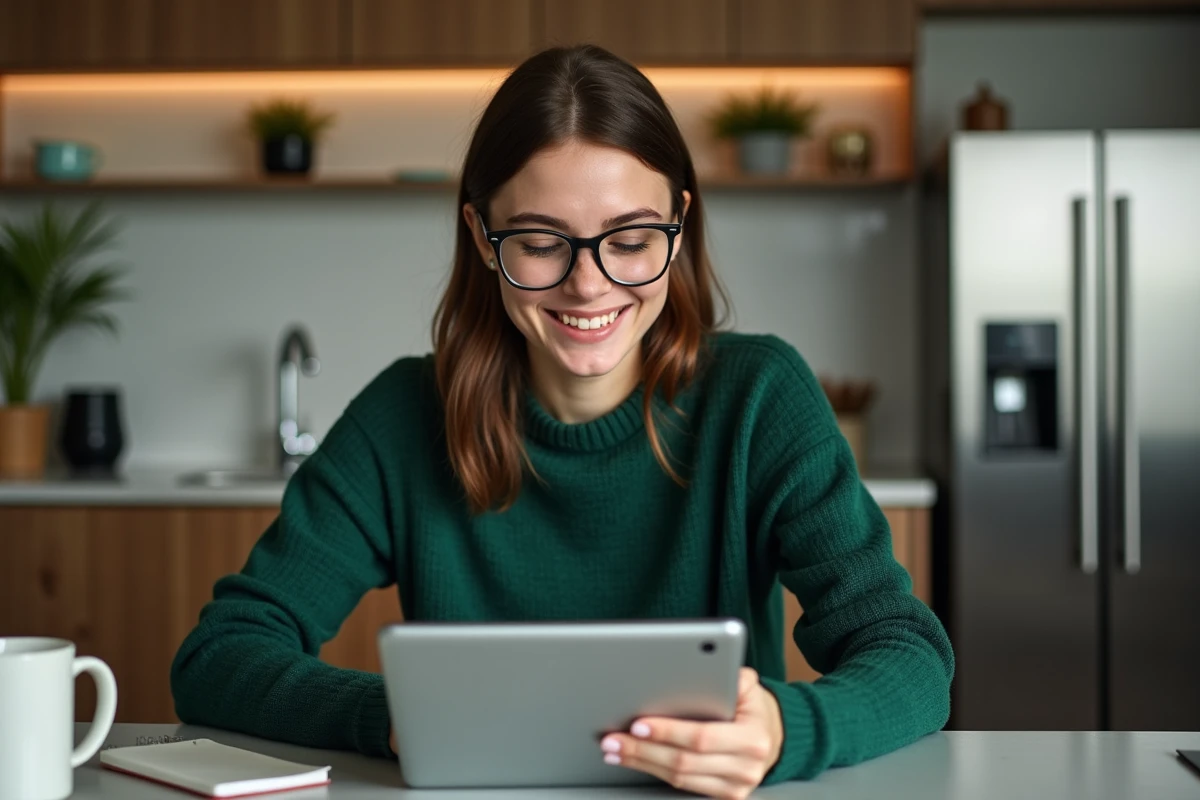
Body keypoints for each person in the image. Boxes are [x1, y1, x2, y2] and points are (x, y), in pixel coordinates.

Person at [171, 44, 954, 800]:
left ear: (679, 227)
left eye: (632, 239)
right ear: (482, 236)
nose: (589, 285)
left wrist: (787, 729)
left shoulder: (759, 397)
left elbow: (909, 654)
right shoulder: (404, 417)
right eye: (542, 243)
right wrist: (394, 717)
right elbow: (219, 656)